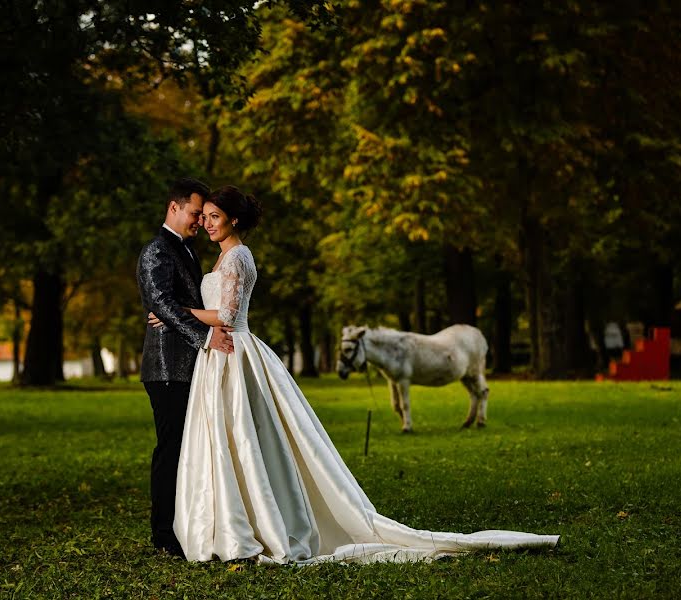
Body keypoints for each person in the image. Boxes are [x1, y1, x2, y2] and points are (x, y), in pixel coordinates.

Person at [155, 185, 559, 563]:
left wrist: (174, 313)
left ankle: (250, 525)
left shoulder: (239, 256)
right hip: (220, 354)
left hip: (234, 349)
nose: (207, 222)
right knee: (228, 437)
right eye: (204, 216)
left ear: (234, 221)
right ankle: (230, 518)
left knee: (242, 434)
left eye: (214, 216)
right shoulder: (222, 256)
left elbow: (226, 315)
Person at [136, 177, 235, 557]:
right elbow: (159, 301)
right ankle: (164, 535)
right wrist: (206, 337)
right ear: (173, 207)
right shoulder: (156, 250)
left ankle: (188, 525)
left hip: (190, 365)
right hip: (166, 367)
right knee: (171, 448)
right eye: (195, 213)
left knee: (190, 448)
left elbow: (177, 304)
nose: (199, 222)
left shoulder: (187, 250)